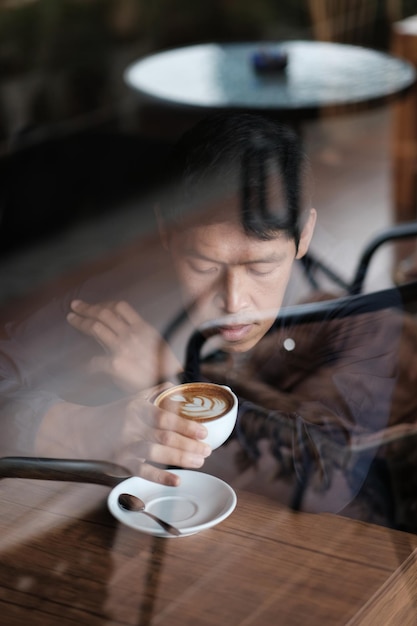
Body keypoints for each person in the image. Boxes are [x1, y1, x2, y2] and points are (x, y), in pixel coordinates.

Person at [1, 113, 416, 527]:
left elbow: (329, 476)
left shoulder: (358, 321)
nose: (234, 300)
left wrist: (169, 378)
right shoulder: (125, 299)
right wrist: (83, 429)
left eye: (260, 267)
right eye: (203, 264)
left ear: (304, 235)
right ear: (165, 229)